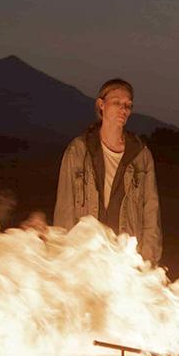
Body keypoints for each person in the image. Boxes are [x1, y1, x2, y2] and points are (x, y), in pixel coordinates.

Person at [54, 78, 162, 265]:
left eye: (128, 105)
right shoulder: (78, 150)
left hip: (125, 257)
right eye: (117, 103)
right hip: (86, 256)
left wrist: (148, 260)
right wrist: (64, 257)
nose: (124, 109)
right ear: (101, 105)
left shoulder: (140, 155)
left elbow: (151, 212)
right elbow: (65, 208)